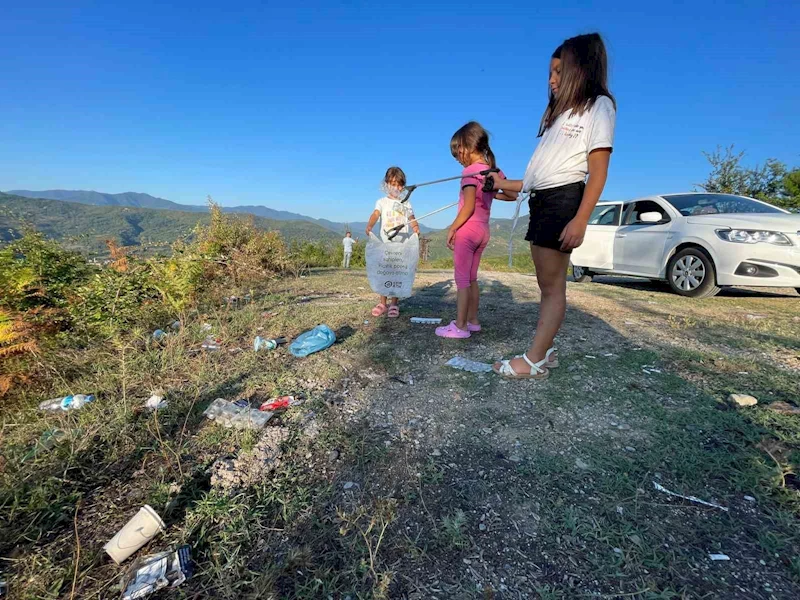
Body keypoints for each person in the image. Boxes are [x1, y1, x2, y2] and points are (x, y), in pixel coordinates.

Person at [490, 33, 616, 378]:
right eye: (550, 73)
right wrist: (503, 185)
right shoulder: (559, 117)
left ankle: (534, 360)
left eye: (559, 71)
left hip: (563, 200)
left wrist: (581, 220)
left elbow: (598, 172)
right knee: (546, 284)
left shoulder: (598, 107)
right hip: (544, 199)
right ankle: (545, 351)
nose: (551, 80)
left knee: (551, 287)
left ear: (581, 69)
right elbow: (540, 174)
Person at [435, 122, 515, 338]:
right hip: (483, 232)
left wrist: (452, 228)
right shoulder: (494, 171)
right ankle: (473, 321)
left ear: (467, 146)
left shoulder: (469, 172)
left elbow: (468, 207)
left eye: (458, 152)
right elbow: (512, 195)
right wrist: (489, 192)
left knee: (461, 280)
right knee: (471, 278)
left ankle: (460, 326)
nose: (457, 157)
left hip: (468, 231)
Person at [366, 166, 420, 318]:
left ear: (403, 186)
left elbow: (412, 218)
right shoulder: (382, 202)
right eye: (393, 184)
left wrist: (415, 228)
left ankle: (394, 303)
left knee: (397, 273)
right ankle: (382, 303)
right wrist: (370, 225)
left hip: (401, 246)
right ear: (386, 184)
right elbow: (375, 214)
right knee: (384, 271)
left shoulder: (406, 203)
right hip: (385, 245)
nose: (396, 187)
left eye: (399, 184)